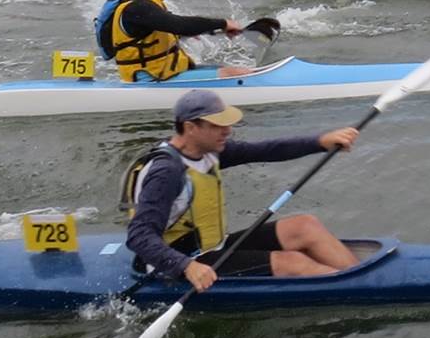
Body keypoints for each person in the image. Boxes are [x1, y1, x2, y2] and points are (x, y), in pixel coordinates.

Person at [121, 88, 364, 289]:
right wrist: (187, 267)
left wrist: (320, 142)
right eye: (217, 125)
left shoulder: (208, 151)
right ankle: (361, 292)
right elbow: (139, 237)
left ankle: (362, 279)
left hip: (212, 248)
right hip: (175, 265)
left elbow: (267, 150)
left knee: (305, 225)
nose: (227, 130)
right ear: (191, 127)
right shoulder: (167, 173)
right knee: (293, 262)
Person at [96, 0, 274, 82]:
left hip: (163, 73)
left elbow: (162, 32)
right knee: (234, 75)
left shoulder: (140, 2)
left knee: (232, 70)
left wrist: (206, 31)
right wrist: (223, 23)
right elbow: (178, 24)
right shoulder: (137, 7)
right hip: (149, 80)